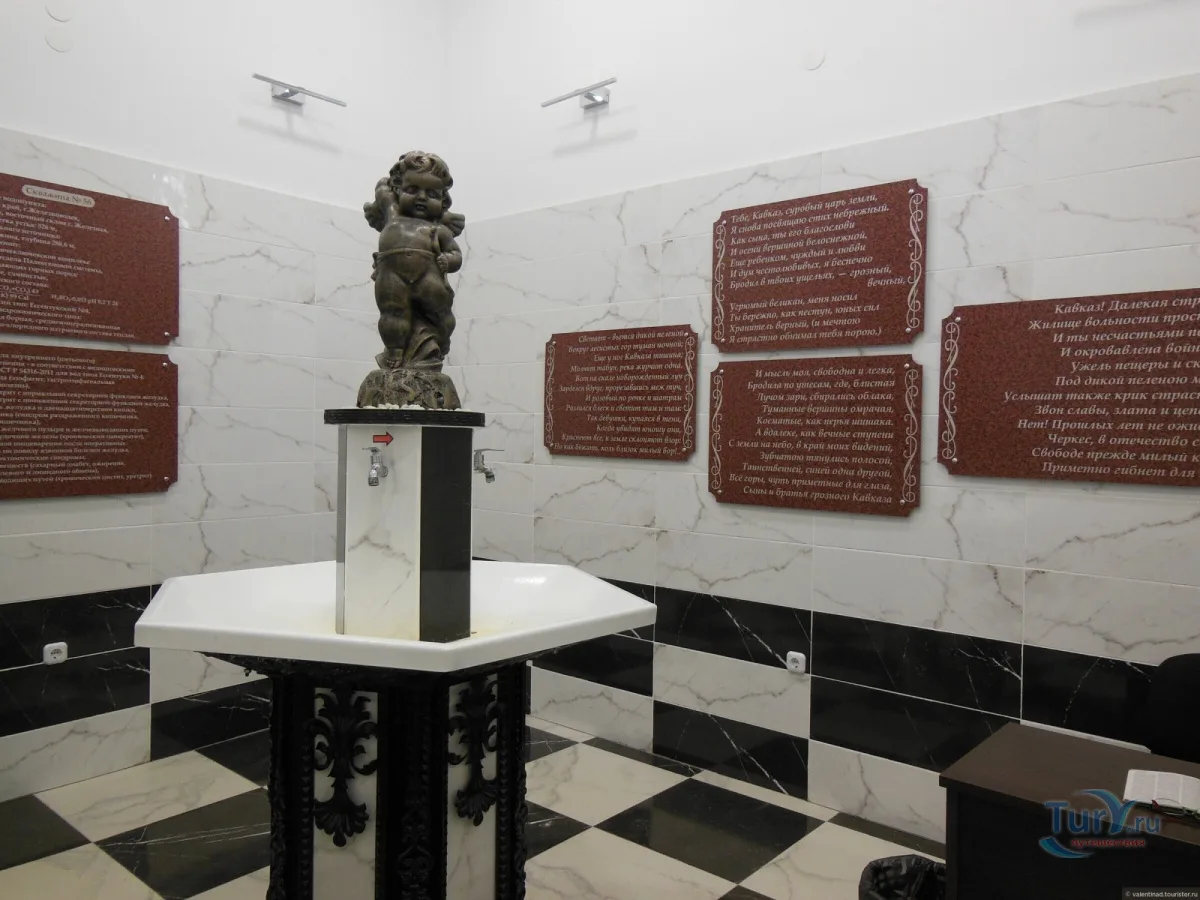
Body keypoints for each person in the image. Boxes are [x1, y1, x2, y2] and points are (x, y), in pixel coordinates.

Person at [363, 151, 465, 366]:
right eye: (412, 189)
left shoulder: (438, 230)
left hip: (428, 276)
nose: (421, 197)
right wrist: (401, 168)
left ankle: (442, 339)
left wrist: (448, 260)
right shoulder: (392, 213)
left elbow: (456, 255)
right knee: (392, 314)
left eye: (432, 194)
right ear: (398, 190)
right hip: (392, 276)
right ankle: (394, 352)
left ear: (443, 201)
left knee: (442, 313)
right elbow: (382, 186)